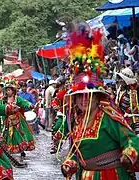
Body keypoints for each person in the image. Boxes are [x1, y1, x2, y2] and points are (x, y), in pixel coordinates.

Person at [60, 25, 139, 180]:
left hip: (112, 175)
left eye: (88, 95)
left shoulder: (108, 117)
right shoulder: (77, 121)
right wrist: (70, 163)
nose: (83, 99)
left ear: (97, 97)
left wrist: (128, 154)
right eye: (79, 96)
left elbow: (132, 139)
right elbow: (77, 152)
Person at [2, 81, 36, 160]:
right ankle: (9, 149)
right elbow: (1, 108)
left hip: (17, 119)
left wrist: (29, 105)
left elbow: (24, 103)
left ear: (13, 91)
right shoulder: (4, 99)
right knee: (8, 134)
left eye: (9, 90)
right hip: (8, 120)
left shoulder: (17, 98)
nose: (8, 92)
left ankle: (21, 150)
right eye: (7, 90)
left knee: (20, 133)